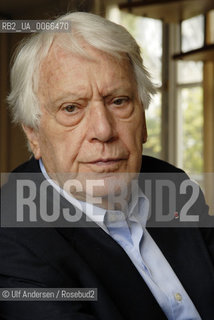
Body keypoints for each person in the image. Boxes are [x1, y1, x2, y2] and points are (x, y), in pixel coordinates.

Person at [0, 12, 213, 320]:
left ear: (142, 119)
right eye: (71, 108)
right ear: (33, 134)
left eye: (119, 101)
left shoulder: (172, 184)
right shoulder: (12, 240)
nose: (103, 130)